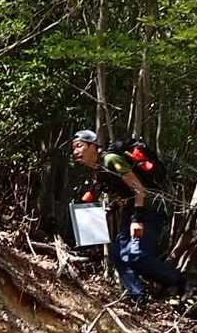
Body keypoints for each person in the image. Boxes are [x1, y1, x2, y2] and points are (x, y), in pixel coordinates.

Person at [69, 129, 188, 306]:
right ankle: (138, 297)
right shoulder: (99, 170)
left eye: (79, 146)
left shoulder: (111, 160)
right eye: (73, 148)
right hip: (131, 211)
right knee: (117, 254)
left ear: (93, 146)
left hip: (148, 209)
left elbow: (139, 190)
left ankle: (181, 282)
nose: (75, 151)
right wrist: (111, 208)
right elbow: (124, 194)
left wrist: (137, 219)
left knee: (135, 255)